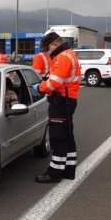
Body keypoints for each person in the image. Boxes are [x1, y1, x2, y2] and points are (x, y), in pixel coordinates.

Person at [32, 32, 81, 183]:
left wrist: (39, 88)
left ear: (54, 44)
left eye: (47, 47)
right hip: (68, 99)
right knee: (67, 135)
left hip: (61, 101)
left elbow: (55, 82)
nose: (47, 51)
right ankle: (68, 169)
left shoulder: (62, 57)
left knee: (58, 137)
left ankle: (54, 173)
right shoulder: (69, 54)